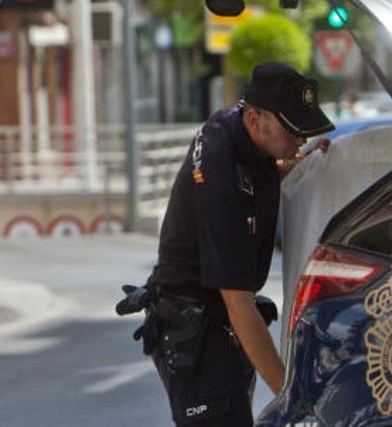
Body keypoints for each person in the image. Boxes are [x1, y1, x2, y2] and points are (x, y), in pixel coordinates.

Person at [119, 61, 333, 426]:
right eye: (293, 131)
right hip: (196, 333)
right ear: (254, 118)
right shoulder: (221, 177)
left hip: (215, 326)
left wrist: (304, 165)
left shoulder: (237, 128)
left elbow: (261, 176)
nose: (299, 141)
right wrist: (293, 401)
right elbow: (239, 304)